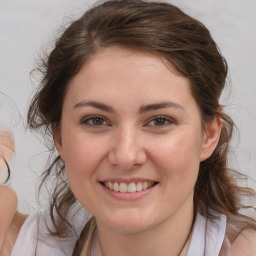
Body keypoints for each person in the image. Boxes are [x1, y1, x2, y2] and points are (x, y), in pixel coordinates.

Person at [3, 0, 256, 255]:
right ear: (59, 137)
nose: (125, 156)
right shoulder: (22, 244)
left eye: (159, 121)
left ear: (209, 135)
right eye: (96, 120)